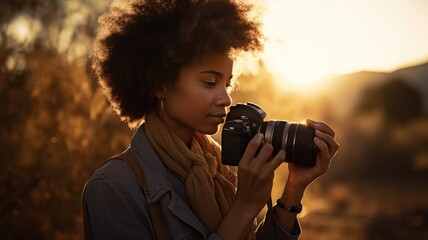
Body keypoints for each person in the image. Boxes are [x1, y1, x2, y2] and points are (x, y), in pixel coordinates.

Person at [82, 0, 340, 239]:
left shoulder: (217, 166)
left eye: (227, 84)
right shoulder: (112, 188)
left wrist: (293, 189)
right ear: (159, 84)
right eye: (209, 83)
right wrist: (244, 207)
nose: (226, 99)